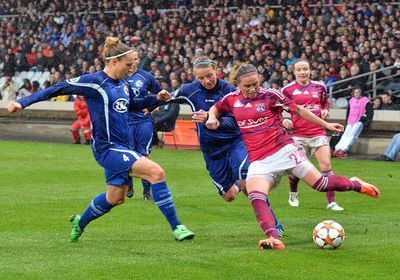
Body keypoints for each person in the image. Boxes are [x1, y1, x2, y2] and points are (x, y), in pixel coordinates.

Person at [7, 36, 194, 243]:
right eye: (128, 64)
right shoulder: (94, 82)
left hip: (121, 147)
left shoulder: (123, 84)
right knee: (156, 172)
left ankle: (80, 222)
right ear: (114, 61)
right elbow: (58, 88)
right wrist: (22, 102)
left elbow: (132, 104)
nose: (132, 69)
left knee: (115, 198)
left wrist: (155, 99)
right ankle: (177, 227)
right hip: (108, 148)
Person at [206, 64, 380, 250]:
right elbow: (215, 108)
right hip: (259, 160)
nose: (252, 89)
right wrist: (211, 117)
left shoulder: (271, 95)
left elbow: (298, 110)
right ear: (238, 85)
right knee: (256, 195)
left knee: (321, 184)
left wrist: (326, 125)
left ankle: (355, 184)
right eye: (247, 86)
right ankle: (274, 238)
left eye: (255, 84)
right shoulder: (231, 100)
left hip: (285, 151)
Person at [171, 57, 284, 237]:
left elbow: (239, 120)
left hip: (234, 143)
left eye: (209, 75)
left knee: (248, 183)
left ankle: (273, 224)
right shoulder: (189, 91)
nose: (206, 81)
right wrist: (149, 105)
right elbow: (168, 98)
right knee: (229, 195)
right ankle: (237, 181)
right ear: (194, 77)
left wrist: (215, 119)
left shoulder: (229, 91)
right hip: (211, 151)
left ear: (216, 69)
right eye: (201, 78)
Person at [281, 59, 344, 211]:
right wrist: (283, 120)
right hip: (298, 134)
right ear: (294, 72)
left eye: (305, 69)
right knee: (297, 170)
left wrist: (325, 110)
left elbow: (325, 102)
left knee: (327, 166)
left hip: (318, 132)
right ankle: (293, 193)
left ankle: (331, 202)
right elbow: (276, 110)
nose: (303, 72)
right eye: (299, 70)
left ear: (310, 70)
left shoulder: (320, 87)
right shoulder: (287, 90)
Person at [125, 50, 164, 201]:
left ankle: (147, 192)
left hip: (143, 122)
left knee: (144, 156)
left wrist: (152, 107)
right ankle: (128, 185)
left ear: (138, 60)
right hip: (125, 122)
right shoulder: (118, 76)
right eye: (130, 59)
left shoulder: (146, 76)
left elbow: (163, 94)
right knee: (127, 155)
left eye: (135, 59)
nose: (132, 62)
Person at [333, 86, 374, 158]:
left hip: (359, 121)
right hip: (350, 120)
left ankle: (343, 149)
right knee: (345, 135)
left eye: (358, 92)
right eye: (355, 92)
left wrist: (366, 120)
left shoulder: (365, 101)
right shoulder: (351, 100)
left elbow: (370, 112)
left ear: (361, 93)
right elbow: (348, 111)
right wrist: (347, 120)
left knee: (352, 136)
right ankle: (337, 148)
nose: (356, 94)